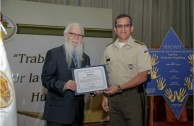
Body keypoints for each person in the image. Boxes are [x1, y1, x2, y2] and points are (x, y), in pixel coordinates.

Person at [101, 14, 152, 126]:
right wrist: (105, 97)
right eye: (119, 26)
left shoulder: (140, 48)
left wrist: (119, 88)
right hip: (113, 99)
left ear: (131, 28)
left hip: (133, 97)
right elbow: (104, 75)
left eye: (126, 25)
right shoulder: (108, 49)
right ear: (115, 29)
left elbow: (143, 76)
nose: (123, 29)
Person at [41, 23, 90, 126]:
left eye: (80, 35)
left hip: (78, 114)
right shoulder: (54, 54)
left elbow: (88, 80)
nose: (76, 38)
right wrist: (64, 85)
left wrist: (95, 89)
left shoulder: (86, 58)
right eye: (73, 34)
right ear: (66, 35)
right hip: (57, 115)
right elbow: (46, 79)